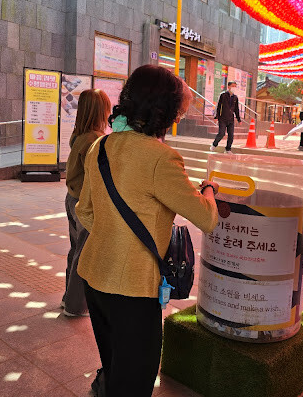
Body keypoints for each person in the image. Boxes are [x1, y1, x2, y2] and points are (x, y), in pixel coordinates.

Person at [75, 65, 219, 397]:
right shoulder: (161, 159)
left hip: (94, 275)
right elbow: (207, 218)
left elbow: (85, 211)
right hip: (133, 289)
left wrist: (114, 235)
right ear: (164, 110)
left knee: (114, 364)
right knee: (136, 378)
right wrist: (209, 189)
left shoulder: (100, 147)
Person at [63, 89, 112, 317]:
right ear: (101, 111)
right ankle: (75, 306)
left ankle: (68, 298)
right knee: (84, 255)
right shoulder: (95, 140)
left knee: (76, 250)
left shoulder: (79, 135)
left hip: (72, 199)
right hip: (84, 204)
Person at [210, 81, 241, 154]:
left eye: (235, 86)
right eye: (233, 86)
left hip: (231, 119)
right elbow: (218, 106)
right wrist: (216, 117)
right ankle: (214, 144)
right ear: (228, 87)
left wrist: (239, 119)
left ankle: (228, 149)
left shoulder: (235, 97)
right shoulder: (223, 95)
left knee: (231, 135)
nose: (234, 88)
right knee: (221, 133)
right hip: (223, 118)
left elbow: (236, 109)